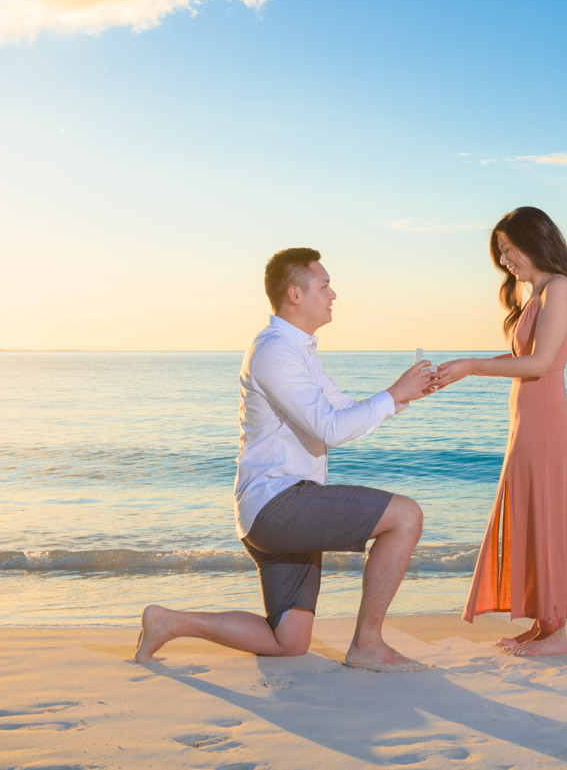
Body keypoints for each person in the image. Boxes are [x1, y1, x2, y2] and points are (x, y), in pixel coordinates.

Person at [134, 248, 433, 672]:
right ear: (295, 293)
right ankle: (367, 644)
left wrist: (404, 397)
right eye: (325, 285)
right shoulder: (275, 351)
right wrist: (394, 394)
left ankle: (168, 622)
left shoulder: (300, 351)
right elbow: (328, 428)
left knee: (288, 641)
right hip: (279, 504)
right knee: (405, 516)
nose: (334, 294)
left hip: (278, 509)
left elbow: (343, 412)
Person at [433, 207, 567, 657]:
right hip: (529, 424)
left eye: (510, 248)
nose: (505, 259)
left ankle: (556, 632)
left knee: (545, 522)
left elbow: (541, 364)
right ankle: (545, 624)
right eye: (500, 252)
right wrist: (463, 368)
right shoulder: (538, 294)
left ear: (537, 241)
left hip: (545, 424)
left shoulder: (559, 289)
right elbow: (521, 359)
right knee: (531, 519)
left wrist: (472, 367)